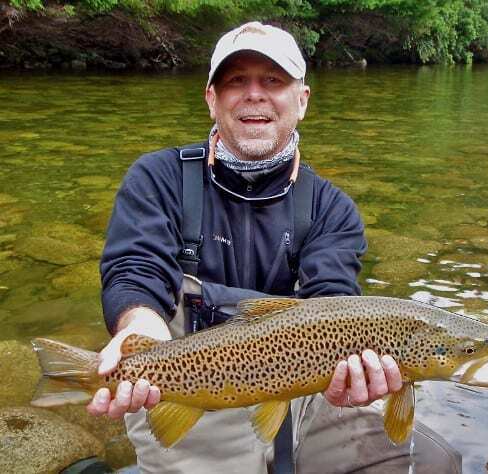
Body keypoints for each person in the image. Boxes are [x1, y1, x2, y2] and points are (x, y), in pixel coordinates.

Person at [86, 21, 461, 474]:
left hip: (308, 395)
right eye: (235, 81)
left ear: (302, 100)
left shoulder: (330, 208)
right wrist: (136, 330)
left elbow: (334, 302)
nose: (254, 94)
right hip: (190, 392)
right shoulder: (158, 179)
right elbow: (136, 267)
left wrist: (355, 379)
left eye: (274, 81)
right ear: (211, 99)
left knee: (431, 463)